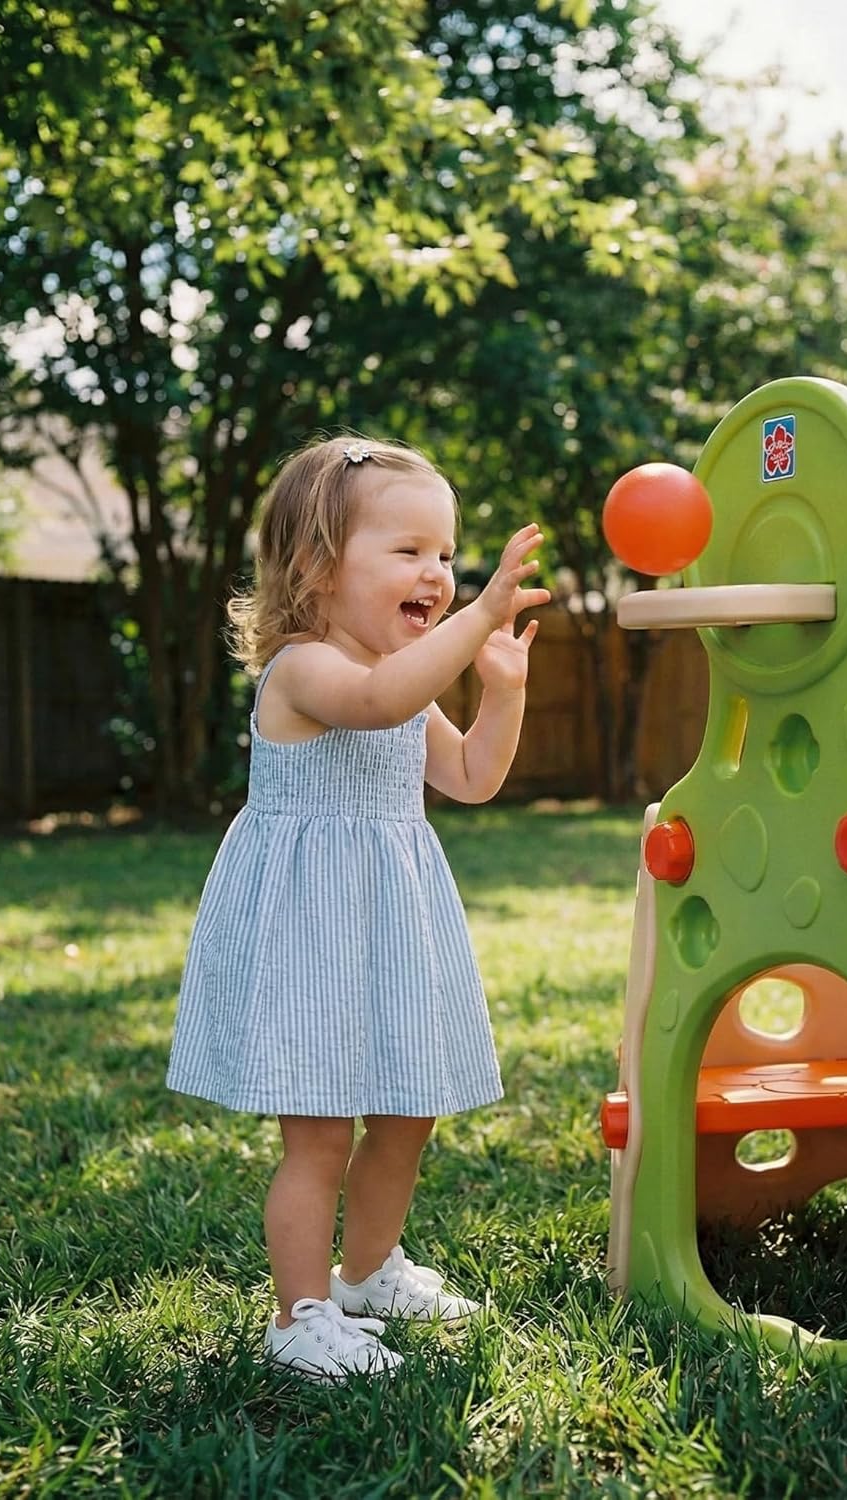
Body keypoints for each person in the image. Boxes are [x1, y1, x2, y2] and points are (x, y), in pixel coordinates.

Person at [166, 435, 550, 1381]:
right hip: (311, 933)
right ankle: (298, 1317)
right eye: (410, 551)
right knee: (321, 1133)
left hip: (388, 927)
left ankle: (368, 1271)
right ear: (316, 567)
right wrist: (481, 614)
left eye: (448, 556)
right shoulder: (305, 670)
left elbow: (468, 776)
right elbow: (376, 702)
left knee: (409, 1109)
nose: (439, 574)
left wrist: (502, 692)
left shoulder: (405, 675)